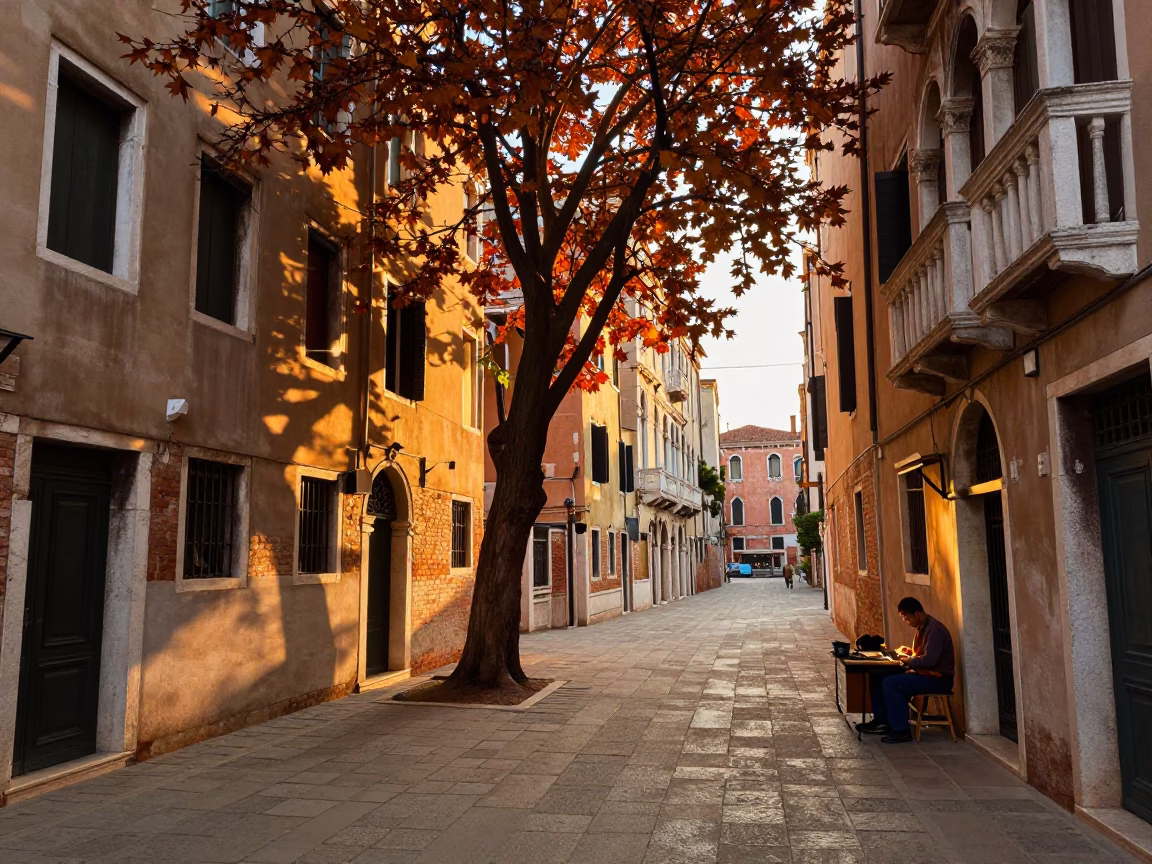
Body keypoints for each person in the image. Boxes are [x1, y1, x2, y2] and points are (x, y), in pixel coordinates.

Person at [856, 597, 954, 744]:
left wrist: (909, 660)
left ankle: (900, 730)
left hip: (938, 680)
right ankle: (882, 722)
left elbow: (930, 660)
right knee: (878, 676)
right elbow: (921, 655)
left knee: (891, 683)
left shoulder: (935, 630)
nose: (907, 622)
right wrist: (908, 654)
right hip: (925, 674)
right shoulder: (922, 627)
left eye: (907, 618)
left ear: (917, 614)